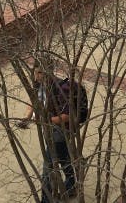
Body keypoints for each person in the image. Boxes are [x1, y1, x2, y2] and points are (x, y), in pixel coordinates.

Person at [18, 58, 78, 202]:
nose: (35, 76)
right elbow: (34, 101)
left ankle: (47, 199)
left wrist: (46, 120)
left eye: (39, 73)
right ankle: (71, 187)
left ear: (47, 72)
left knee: (48, 167)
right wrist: (27, 117)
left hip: (60, 131)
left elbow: (67, 115)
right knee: (64, 158)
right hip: (48, 130)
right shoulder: (38, 85)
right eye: (35, 72)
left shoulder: (60, 88)